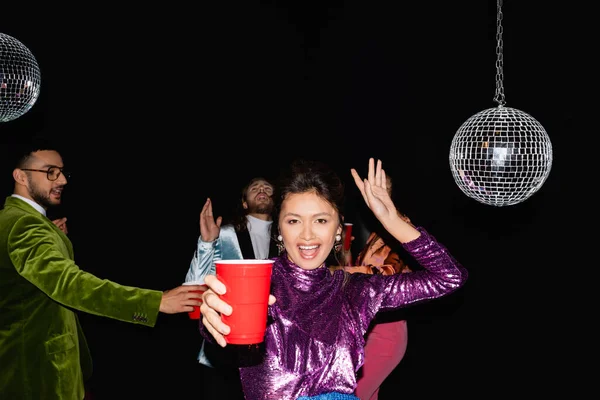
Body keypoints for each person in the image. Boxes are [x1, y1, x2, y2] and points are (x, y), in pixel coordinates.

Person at [199, 157, 468, 399]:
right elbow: (220, 334)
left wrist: (392, 220)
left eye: (320, 221)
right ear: (279, 229)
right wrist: (211, 319)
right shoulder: (257, 283)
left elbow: (449, 277)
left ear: (338, 230)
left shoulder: (357, 289)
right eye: (293, 221)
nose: (307, 235)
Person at [0, 138, 205, 400]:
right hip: (36, 371)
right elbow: (69, 284)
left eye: (63, 172)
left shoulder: (15, 220)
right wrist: (156, 302)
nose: (62, 180)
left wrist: (54, 236)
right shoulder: (25, 225)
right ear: (20, 176)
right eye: (50, 172)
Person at [185, 176, 278, 399]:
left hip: (271, 356)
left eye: (267, 187)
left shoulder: (287, 238)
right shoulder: (226, 234)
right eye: (255, 187)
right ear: (244, 202)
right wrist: (207, 243)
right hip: (224, 352)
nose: (262, 189)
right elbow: (193, 285)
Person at [350, 173, 415, 400]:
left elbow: (388, 274)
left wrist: (340, 273)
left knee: (353, 394)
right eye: (369, 187)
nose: (374, 191)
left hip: (387, 331)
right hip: (367, 327)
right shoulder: (377, 230)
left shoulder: (400, 225)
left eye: (381, 186)